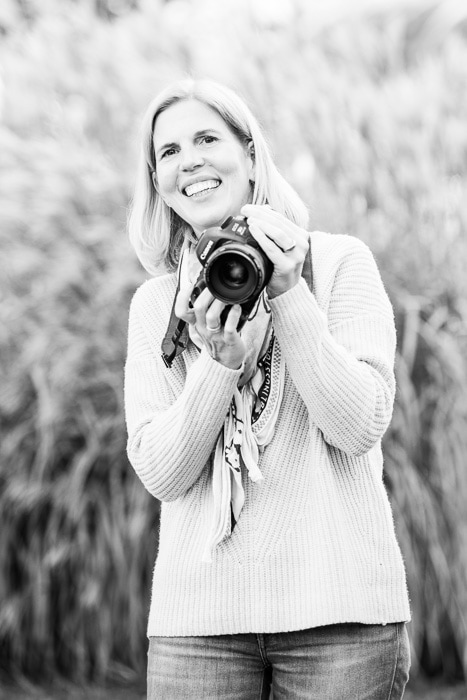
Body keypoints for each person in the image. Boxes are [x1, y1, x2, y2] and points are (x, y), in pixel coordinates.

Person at [124, 78, 411, 699]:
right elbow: (163, 474)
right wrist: (221, 365)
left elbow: (359, 425)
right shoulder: (157, 308)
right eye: (168, 152)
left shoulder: (337, 265)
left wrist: (289, 292)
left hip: (342, 619)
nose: (189, 160)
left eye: (207, 138)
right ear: (158, 182)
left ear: (251, 156)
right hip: (197, 629)